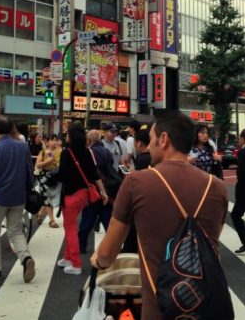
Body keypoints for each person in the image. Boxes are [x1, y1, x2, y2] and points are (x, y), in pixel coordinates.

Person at [91, 111, 228, 320]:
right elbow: (212, 240)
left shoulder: (136, 183)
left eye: (152, 139)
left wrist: (98, 260)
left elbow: (108, 253)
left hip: (159, 310)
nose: (150, 146)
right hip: (206, 308)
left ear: (163, 139)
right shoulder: (217, 187)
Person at [0, 116, 36, 283]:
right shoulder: (23, 147)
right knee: (16, 231)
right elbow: (29, 172)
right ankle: (26, 257)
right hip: (18, 196)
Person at [56, 124, 108, 275]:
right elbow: (94, 174)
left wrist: (52, 177)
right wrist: (103, 191)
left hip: (70, 195)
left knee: (71, 228)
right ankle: (67, 257)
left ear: (71, 136)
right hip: (83, 195)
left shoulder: (66, 153)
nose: (66, 136)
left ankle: (76, 264)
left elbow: (62, 175)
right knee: (69, 225)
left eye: (68, 134)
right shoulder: (87, 152)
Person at [77, 129, 118, 254]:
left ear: (89, 140)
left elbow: (90, 173)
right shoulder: (106, 151)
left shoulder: (89, 152)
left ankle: (81, 245)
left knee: (87, 219)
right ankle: (112, 247)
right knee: (107, 220)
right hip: (108, 189)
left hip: (94, 190)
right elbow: (111, 165)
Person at [34, 136, 61, 228]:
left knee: (49, 196)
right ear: (48, 142)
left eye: (56, 140)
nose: (54, 142)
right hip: (43, 176)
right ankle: (52, 220)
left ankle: (40, 213)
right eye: (52, 140)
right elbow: (38, 164)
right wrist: (48, 161)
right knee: (46, 196)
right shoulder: (43, 151)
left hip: (54, 176)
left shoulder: (59, 151)